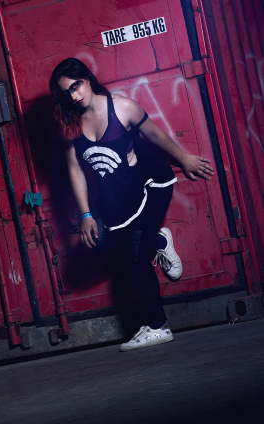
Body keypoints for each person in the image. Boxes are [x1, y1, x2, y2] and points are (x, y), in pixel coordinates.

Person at [49, 58, 214, 351]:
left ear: (87, 78)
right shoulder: (71, 122)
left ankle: (158, 326)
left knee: (134, 257)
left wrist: (184, 159)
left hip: (150, 185)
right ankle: (158, 240)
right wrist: (86, 214)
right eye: (66, 92)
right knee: (95, 239)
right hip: (117, 196)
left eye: (76, 86)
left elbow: (153, 133)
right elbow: (75, 169)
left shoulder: (122, 107)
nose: (74, 96)